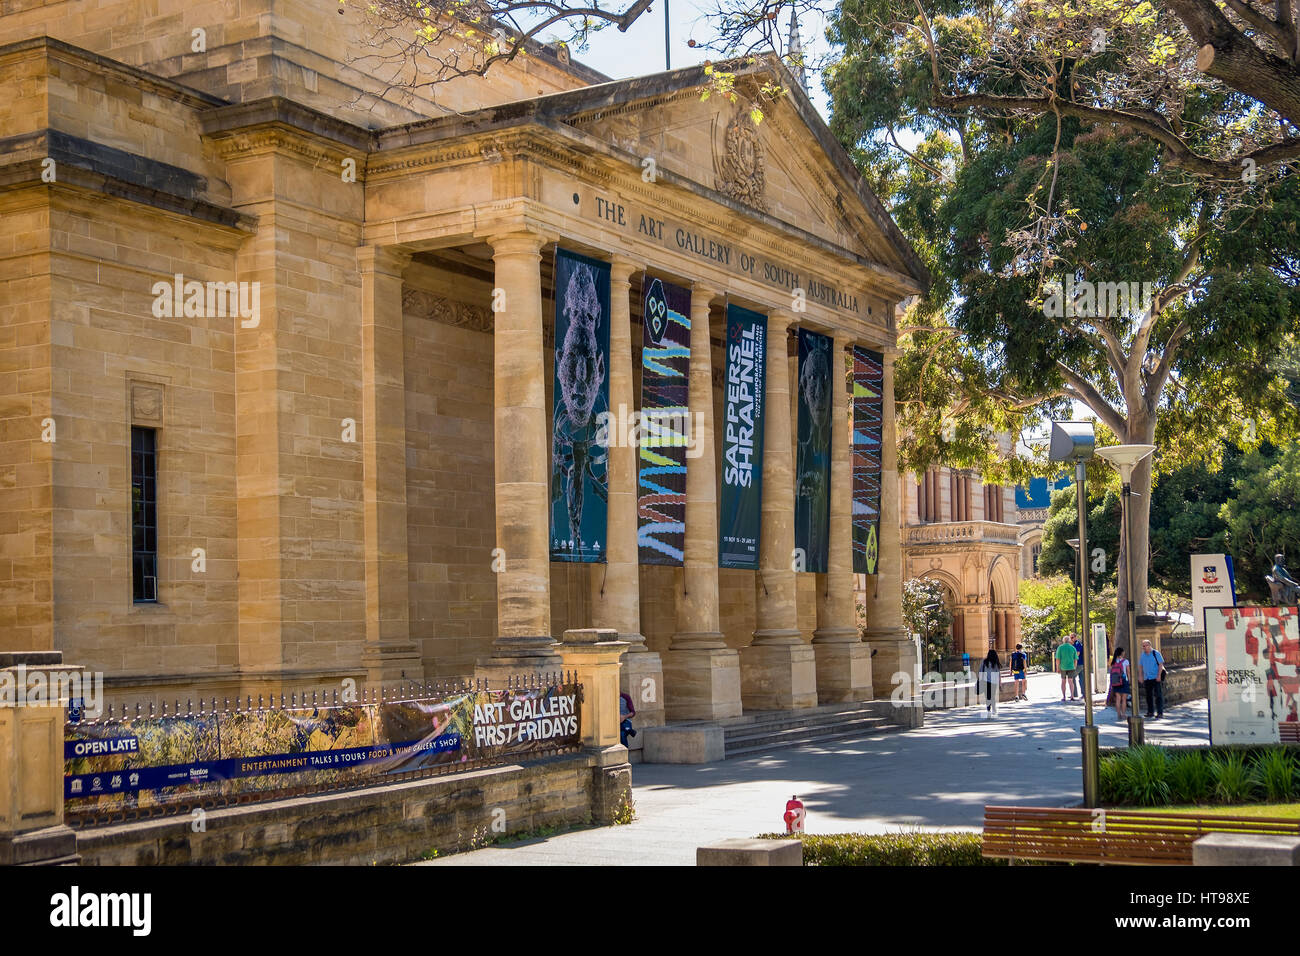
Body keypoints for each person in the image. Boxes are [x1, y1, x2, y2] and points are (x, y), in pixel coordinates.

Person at [1138, 639, 1165, 720]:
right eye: (1143, 646)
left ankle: (1160, 713)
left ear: (1150, 645)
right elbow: (1140, 666)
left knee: (1158, 695)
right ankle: (1150, 712)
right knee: (1148, 696)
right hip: (1147, 678)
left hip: (1155, 677)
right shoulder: (1143, 655)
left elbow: (1160, 664)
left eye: (1146, 645)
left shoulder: (1156, 653)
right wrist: (1140, 676)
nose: (1144, 647)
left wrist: (1159, 675)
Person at [977, 649, 1002, 718]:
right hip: (993, 682)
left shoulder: (984, 661)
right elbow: (998, 674)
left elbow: (980, 671)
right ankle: (993, 708)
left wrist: (979, 679)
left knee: (987, 695)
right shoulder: (995, 663)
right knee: (992, 696)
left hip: (985, 681)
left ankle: (988, 707)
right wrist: (1000, 683)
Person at [1108, 647, 1131, 720]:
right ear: (1122, 653)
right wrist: (1129, 680)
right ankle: (1123, 714)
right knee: (1124, 699)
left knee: (1118, 699)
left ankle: (1118, 714)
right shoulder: (1125, 661)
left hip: (1116, 681)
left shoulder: (1113, 662)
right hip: (1124, 680)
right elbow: (1128, 672)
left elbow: (1111, 672)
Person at [1071, 634, 1085, 699]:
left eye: (1072, 637)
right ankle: (1084, 694)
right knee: (1081, 679)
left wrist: (1072, 661)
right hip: (1081, 664)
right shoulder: (1074, 644)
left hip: (1078, 664)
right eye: (1070, 637)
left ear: (1075, 637)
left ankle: (1074, 693)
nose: (1071, 639)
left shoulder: (1077, 644)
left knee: (1072, 677)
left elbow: (1077, 654)